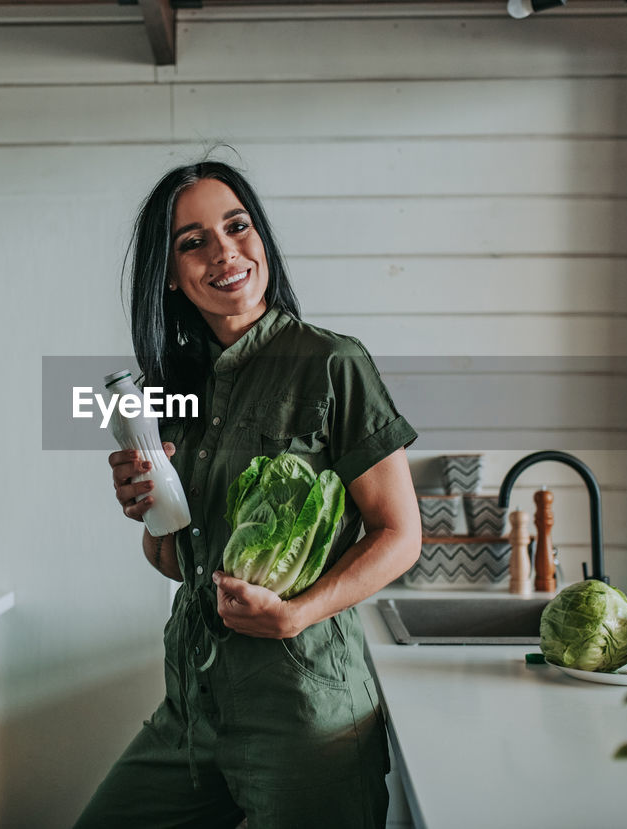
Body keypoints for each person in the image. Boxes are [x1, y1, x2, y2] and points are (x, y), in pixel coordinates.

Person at [74, 161, 420, 829]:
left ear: (261, 238)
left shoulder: (331, 362)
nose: (224, 252)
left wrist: (296, 612)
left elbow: (400, 534)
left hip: (303, 712)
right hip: (194, 708)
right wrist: (148, 511)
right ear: (170, 274)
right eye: (193, 240)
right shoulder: (173, 387)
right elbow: (179, 560)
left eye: (237, 226)